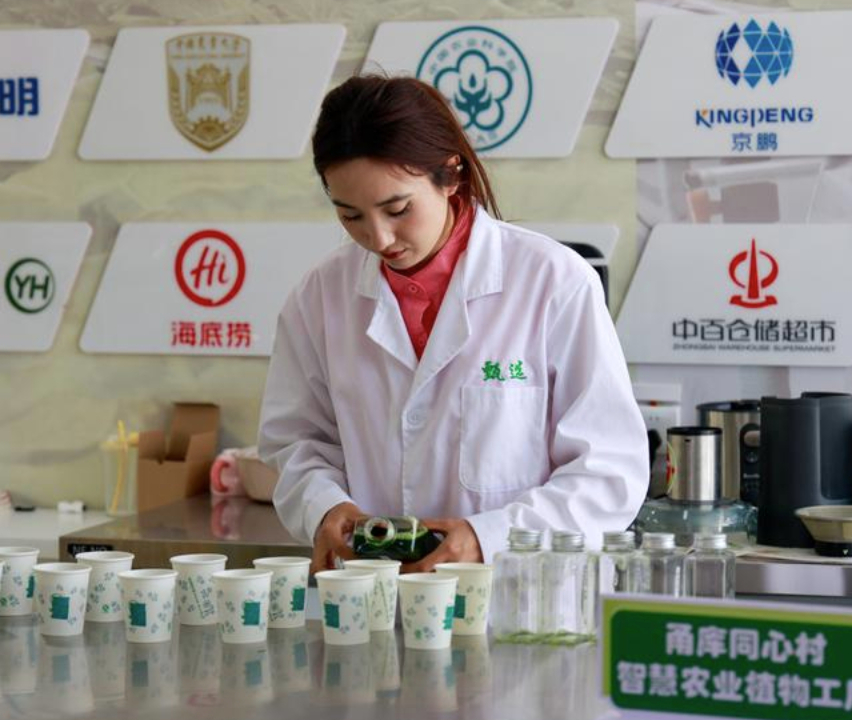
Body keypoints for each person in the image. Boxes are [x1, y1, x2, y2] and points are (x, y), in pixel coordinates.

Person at [259, 75, 648, 574]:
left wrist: (487, 538)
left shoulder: (553, 282)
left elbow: (608, 471)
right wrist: (326, 508)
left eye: (397, 209)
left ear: (451, 174)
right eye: (350, 215)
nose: (378, 237)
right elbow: (298, 444)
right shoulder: (318, 299)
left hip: (514, 605)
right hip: (375, 598)